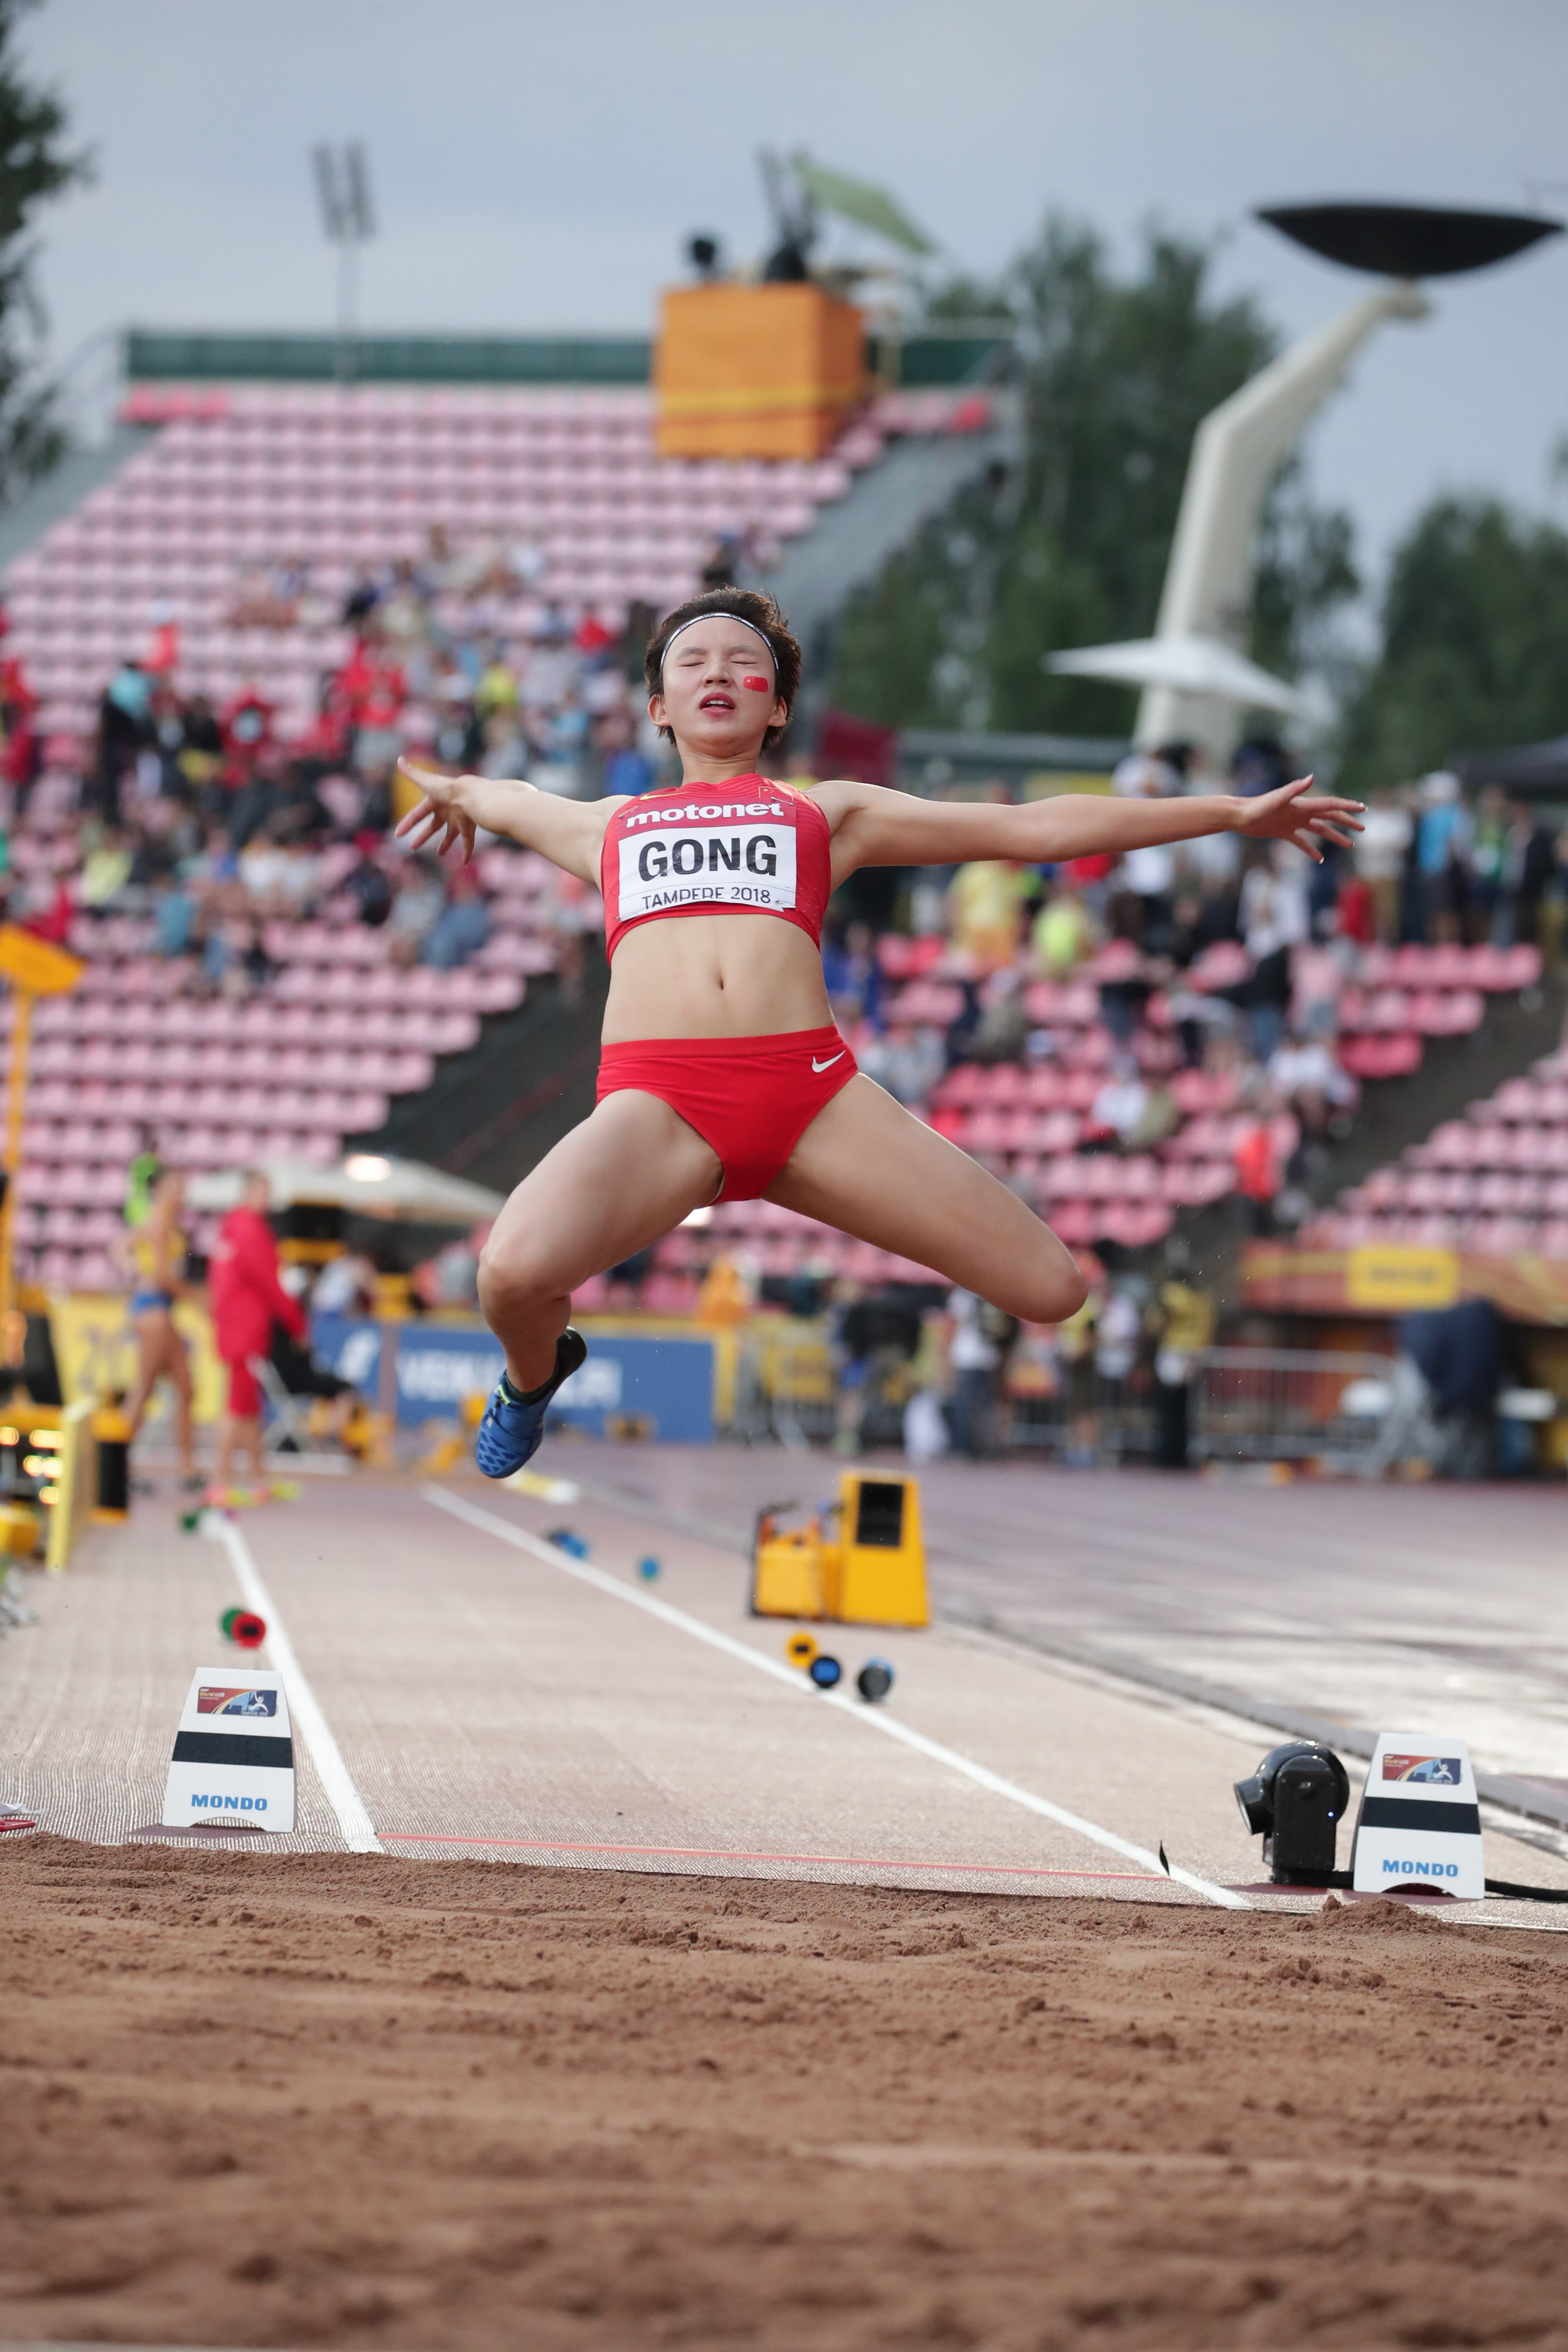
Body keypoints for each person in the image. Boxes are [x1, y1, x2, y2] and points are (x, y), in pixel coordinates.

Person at [394, 587, 1363, 1479]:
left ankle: (782, 1217)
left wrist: (1229, 813)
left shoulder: (826, 813)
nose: (721, 673)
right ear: (657, 707)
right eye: (693, 663)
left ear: (776, 710)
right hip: (661, 1106)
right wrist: (456, 792)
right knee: (510, 1275)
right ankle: (534, 1376)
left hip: (811, 1098)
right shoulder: (612, 828)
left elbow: (1031, 829)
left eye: (746, 663)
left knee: (1054, 1289)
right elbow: (506, 799)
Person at [209, 1170, 307, 1490]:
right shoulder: (252, 1232)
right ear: (248, 1193)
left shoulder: (230, 1229)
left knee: (249, 1404)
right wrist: (297, 1325)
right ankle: (220, 1482)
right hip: (246, 1328)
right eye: (263, 1194)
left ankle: (257, 1477)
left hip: (232, 1325)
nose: (268, 1202)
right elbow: (271, 1285)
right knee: (237, 1405)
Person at [120, 1170, 198, 1489]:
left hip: (158, 1309)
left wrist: (132, 1268)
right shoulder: (160, 1223)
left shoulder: (161, 1222)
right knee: (145, 1389)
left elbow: (121, 1245)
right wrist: (199, 1300)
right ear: (161, 1191)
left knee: (184, 1388)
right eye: (175, 1188)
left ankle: (187, 1468)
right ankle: (116, 1463)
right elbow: (165, 1277)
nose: (181, 1194)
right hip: (154, 1309)